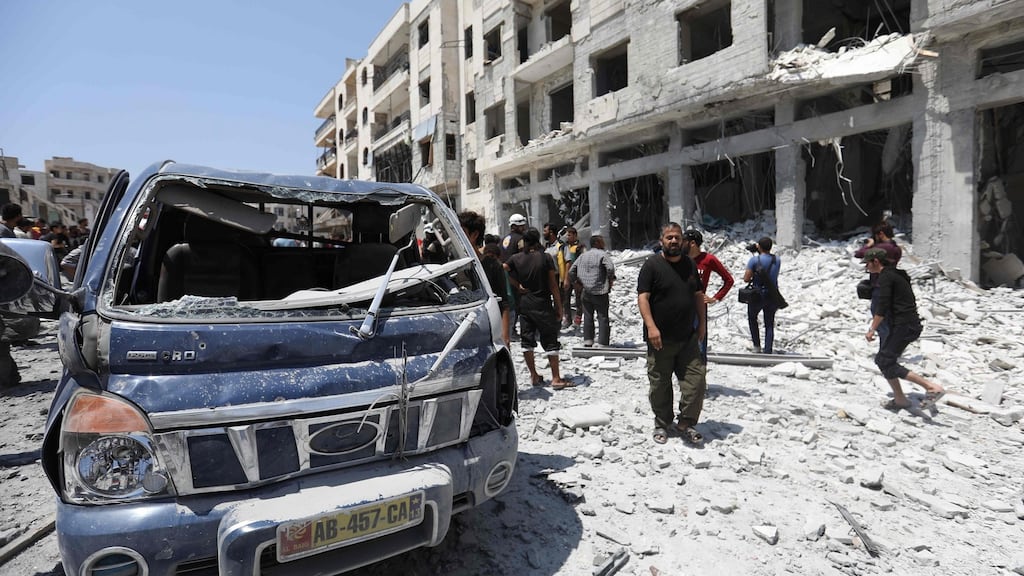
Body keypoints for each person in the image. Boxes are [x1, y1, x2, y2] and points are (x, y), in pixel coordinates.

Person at [637, 223, 707, 445]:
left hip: (688, 337)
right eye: (669, 238)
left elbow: (698, 295)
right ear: (661, 241)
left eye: (677, 237)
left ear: (683, 241)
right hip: (660, 339)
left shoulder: (689, 265)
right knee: (660, 384)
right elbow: (643, 298)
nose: (674, 241)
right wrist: (651, 327)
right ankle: (662, 422)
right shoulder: (652, 266)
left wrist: (702, 323)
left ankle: (686, 422)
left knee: (696, 381)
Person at [862, 248, 946, 411]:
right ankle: (900, 399)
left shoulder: (886, 277)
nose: (866, 267)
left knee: (884, 360)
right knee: (885, 361)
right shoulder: (898, 274)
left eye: (867, 264)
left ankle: (931, 387)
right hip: (907, 324)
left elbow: (883, 306)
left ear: (876, 262)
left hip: (904, 326)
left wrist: (872, 329)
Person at [504, 227, 571, 389]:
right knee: (550, 339)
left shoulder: (515, 258)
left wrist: (516, 284)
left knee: (527, 341)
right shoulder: (545, 257)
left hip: (525, 304)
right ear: (538, 240)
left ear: (524, 242)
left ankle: (534, 376)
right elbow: (553, 284)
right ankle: (556, 378)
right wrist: (559, 306)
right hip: (542, 303)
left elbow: (503, 268)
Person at [459, 210, 511, 345]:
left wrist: (505, 339)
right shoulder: (452, 266)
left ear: (474, 235)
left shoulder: (492, 265)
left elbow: (504, 304)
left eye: (460, 231)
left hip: (488, 331)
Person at [682, 229, 734, 360]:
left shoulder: (708, 259)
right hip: (680, 306)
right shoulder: (680, 259)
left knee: (700, 341)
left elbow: (729, 280)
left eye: (684, 242)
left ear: (692, 243)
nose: (680, 244)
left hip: (698, 307)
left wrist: (715, 298)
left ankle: (700, 374)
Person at [854, 221, 902, 344]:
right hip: (891, 285)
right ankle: (892, 346)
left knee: (880, 318)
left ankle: (885, 348)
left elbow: (859, 254)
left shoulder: (881, 248)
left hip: (879, 286)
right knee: (889, 318)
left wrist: (869, 245)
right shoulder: (896, 248)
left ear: (880, 234)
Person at [568, 234, 615, 347]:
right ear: (597, 243)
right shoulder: (603, 255)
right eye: (602, 241)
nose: (604, 243)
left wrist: (577, 283)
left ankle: (588, 340)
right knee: (602, 316)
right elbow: (610, 268)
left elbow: (571, 271)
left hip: (586, 290)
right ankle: (603, 342)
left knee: (588, 316)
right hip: (600, 290)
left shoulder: (583, 256)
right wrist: (610, 280)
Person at [743, 236, 782, 354]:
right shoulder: (777, 259)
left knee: (752, 318)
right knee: (769, 322)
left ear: (759, 246)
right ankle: (768, 349)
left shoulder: (754, 260)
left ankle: (756, 346)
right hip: (773, 294)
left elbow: (746, 278)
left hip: (758, 294)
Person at [557, 226, 585, 328]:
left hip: (577, 278)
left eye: (569, 235)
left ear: (575, 235)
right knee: (565, 299)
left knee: (579, 299)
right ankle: (567, 319)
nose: (567, 237)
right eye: (566, 235)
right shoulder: (564, 247)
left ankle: (578, 319)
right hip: (566, 277)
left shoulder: (580, 247)